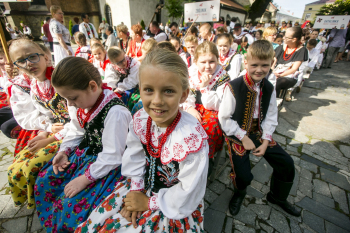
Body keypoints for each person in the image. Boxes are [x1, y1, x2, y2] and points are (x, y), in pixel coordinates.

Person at [75, 48, 209, 233]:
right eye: (148, 90)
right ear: (140, 89)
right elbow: (135, 155)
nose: (157, 100)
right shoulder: (141, 120)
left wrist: (148, 202)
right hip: (141, 188)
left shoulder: (190, 138)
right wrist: (136, 189)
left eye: (168, 91)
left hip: (172, 202)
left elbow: (189, 189)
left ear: (184, 95)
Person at [34, 57, 131, 232]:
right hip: (86, 155)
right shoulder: (83, 102)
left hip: (106, 166)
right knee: (45, 181)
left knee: (72, 206)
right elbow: (77, 130)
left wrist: (85, 179)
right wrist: (64, 151)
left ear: (93, 86)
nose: (69, 103)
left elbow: (112, 156)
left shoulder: (116, 112)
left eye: (72, 98)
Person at [219, 40, 300, 217]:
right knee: (244, 176)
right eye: (254, 65)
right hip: (238, 135)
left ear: (272, 64)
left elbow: (271, 116)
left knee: (286, 163)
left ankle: (277, 197)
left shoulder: (269, 87)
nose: (259, 70)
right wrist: (243, 137)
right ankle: (239, 192)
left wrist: (265, 140)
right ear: (246, 63)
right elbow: (224, 119)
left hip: (261, 134)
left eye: (264, 65)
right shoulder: (233, 87)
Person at [7, 38, 70, 209]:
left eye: (32, 57)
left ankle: (46, 201)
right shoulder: (35, 85)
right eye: (21, 60)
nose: (28, 63)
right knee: (18, 162)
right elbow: (45, 114)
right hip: (55, 131)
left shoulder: (61, 78)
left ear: (45, 57)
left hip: (73, 133)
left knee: (30, 166)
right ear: (16, 65)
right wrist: (44, 131)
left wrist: (50, 137)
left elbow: (79, 117)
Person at [183, 41, 230, 167]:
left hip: (213, 110)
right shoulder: (192, 72)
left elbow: (219, 104)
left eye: (212, 61)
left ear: (217, 60)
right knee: (182, 123)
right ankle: (183, 155)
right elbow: (187, 94)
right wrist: (189, 108)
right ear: (196, 61)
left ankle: (204, 160)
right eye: (203, 62)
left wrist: (204, 88)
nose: (208, 66)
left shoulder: (222, 76)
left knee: (208, 129)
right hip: (194, 106)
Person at [274, 27, 308, 100]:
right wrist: (272, 71)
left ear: (294, 39)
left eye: (286, 37)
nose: (283, 38)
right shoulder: (280, 47)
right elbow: (273, 61)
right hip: (276, 72)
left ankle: (273, 103)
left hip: (289, 76)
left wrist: (280, 75)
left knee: (277, 82)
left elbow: (294, 69)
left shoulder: (302, 50)